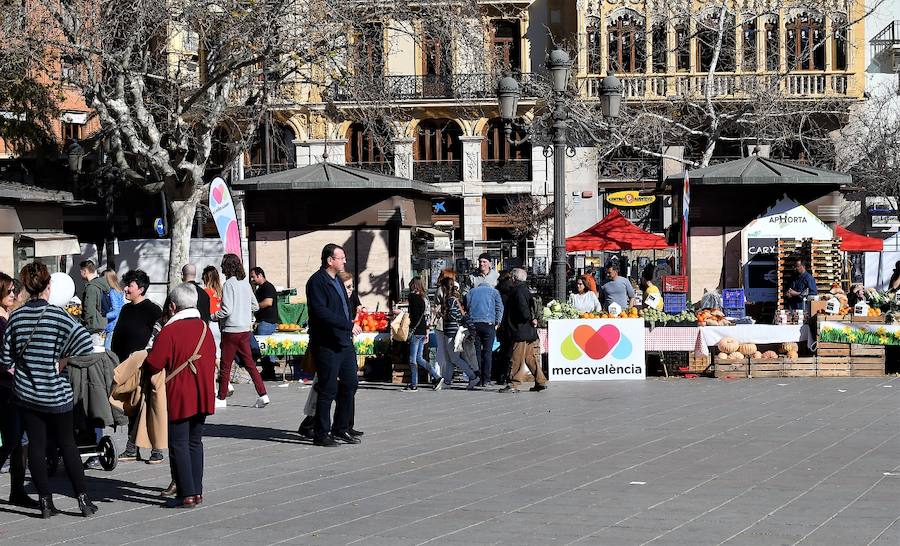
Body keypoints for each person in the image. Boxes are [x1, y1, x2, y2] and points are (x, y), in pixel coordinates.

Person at [0, 261, 98, 518]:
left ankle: (45, 503)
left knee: (36, 445)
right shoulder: (58, 315)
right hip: (57, 393)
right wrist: (63, 360)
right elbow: (85, 344)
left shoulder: (16, 317)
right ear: (48, 285)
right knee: (68, 444)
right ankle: (83, 500)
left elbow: (5, 360)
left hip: (27, 394)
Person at [144, 283, 216, 509]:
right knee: (195, 442)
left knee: (179, 444)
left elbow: (154, 363)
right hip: (203, 392)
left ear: (173, 306)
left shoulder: (170, 331)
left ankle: (186, 493)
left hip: (180, 393)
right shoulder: (205, 328)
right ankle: (198, 492)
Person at [306, 244, 361, 446]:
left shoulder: (338, 280)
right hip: (327, 343)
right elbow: (320, 312)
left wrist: (351, 323)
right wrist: (347, 324)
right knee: (328, 389)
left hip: (344, 341)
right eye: (341, 258)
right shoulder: (317, 282)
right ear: (330, 260)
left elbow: (345, 306)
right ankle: (321, 433)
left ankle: (342, 427)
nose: (344, 261)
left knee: (351, 383)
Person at [112, 269, 165, 463]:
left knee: (150, 406)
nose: (125, 288)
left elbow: (161, 336)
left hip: (146, 365)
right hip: (126, 366)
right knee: (132, 406)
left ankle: (157, 449)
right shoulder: (126, 309)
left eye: (130, 286)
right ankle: (132, 447)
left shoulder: (153, 310)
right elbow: (118, 337)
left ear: (141, 289)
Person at [0, 273, 38, 509]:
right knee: (14, 438)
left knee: (20, 439)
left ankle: (17, 491)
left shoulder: (8, 318)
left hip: (11, 387)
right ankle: (17, 491)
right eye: (9, 291)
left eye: (14, 290)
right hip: (4, 388)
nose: (13, 295)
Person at [213, 253, 269, 409]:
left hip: (231, 330)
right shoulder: (245, 283)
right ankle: (263, 394)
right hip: (245, 330)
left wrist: (213, 316)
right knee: (250, 364)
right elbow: (256, 306)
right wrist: (244, 310)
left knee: (225, 365)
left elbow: (226, 310)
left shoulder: (228, 284)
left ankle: (222, 397)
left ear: (227, 266)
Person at [499, 268, 548, 394]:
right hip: (529, 331)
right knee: (529, 357)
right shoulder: (525, 290)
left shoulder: (518, 291)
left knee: (516, 358)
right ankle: (540, 381)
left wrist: (521, 320)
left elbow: (524, 311)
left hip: (520, 330)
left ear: (514, 278)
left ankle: (513, 384)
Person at [439, 276, 480, 390]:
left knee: (454, 358)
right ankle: (447, 381)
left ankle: (472, 376)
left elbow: (454, 315)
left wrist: (443, 315)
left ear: (444, 287)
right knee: (450, 359)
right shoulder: (455, 298)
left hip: (451, 331)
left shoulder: (450, 299)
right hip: (454, 330)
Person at [405, 277, 443, 391]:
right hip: (422, 330)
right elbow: (427, 316)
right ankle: (436, 376)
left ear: (413, 285)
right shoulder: (425, 298)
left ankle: (414, 384)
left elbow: (411, 314)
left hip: (415, 330)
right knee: (420, 358)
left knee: (412, 359)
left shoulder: (412, 296)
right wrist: (427, 330)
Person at [465, 281, 503, 387]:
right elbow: (499, 308)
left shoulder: (471, 292)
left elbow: (467, 306)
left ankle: (477, 377)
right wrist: (497, 322)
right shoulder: (494, 292)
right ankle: (486, 379)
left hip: (474, 324)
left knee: (476, 352)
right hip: (488, 324)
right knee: (487, 353)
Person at [249, 267, 279, 380]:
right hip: (262, 321)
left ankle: (269, 371)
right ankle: (268, 371)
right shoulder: (260, 288)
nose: (252, 279)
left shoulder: (268, 287)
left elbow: (268, 302)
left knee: (265, 347)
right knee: (262, 348)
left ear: (260, 275)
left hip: (267, 322)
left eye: (253, 276)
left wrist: (255, 307)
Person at [79, 260, 111, 346]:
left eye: (81, 271)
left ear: (85, 271)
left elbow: (88, 310)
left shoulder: (91, 288)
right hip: (102, 324)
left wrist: (82, 323)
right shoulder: (101, 285)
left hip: (93, 328)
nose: (80, 274)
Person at [102, 270, 125, 351]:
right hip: (118, 326)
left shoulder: (112, 292)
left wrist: (102, 316)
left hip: (112, 327)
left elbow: (116, 312)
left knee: (107, 354)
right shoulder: (119, 292)